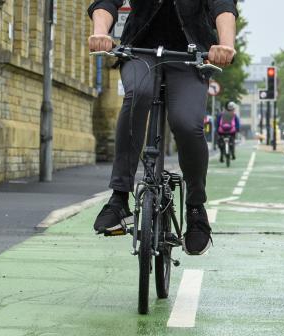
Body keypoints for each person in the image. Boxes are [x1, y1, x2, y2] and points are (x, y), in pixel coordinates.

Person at [87, 0, 237, 255]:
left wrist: (226, 44)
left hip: (191, 57)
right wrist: (101, 32)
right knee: (138, 95)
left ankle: (196, 209)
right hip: (140, 51)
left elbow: (223, 6)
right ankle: (119, 197)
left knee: (186, 123)